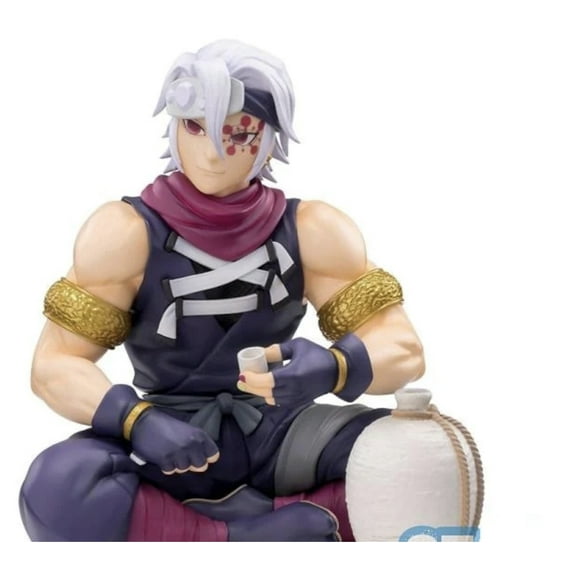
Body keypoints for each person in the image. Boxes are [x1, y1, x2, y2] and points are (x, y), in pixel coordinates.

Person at [19, 39, 425, 541]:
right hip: (170, 442)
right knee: (59, 484)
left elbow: (404, 348)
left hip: (285, 433)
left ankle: (255, 524)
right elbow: (54, 365)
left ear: (269, 137)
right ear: (174, 125)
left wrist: (337, 365)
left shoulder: (315, 230)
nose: (212, 152)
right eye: (196, 127)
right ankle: (237, 539)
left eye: (238, 133)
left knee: (420, 451)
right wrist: (134, 419)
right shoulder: (122, 233)